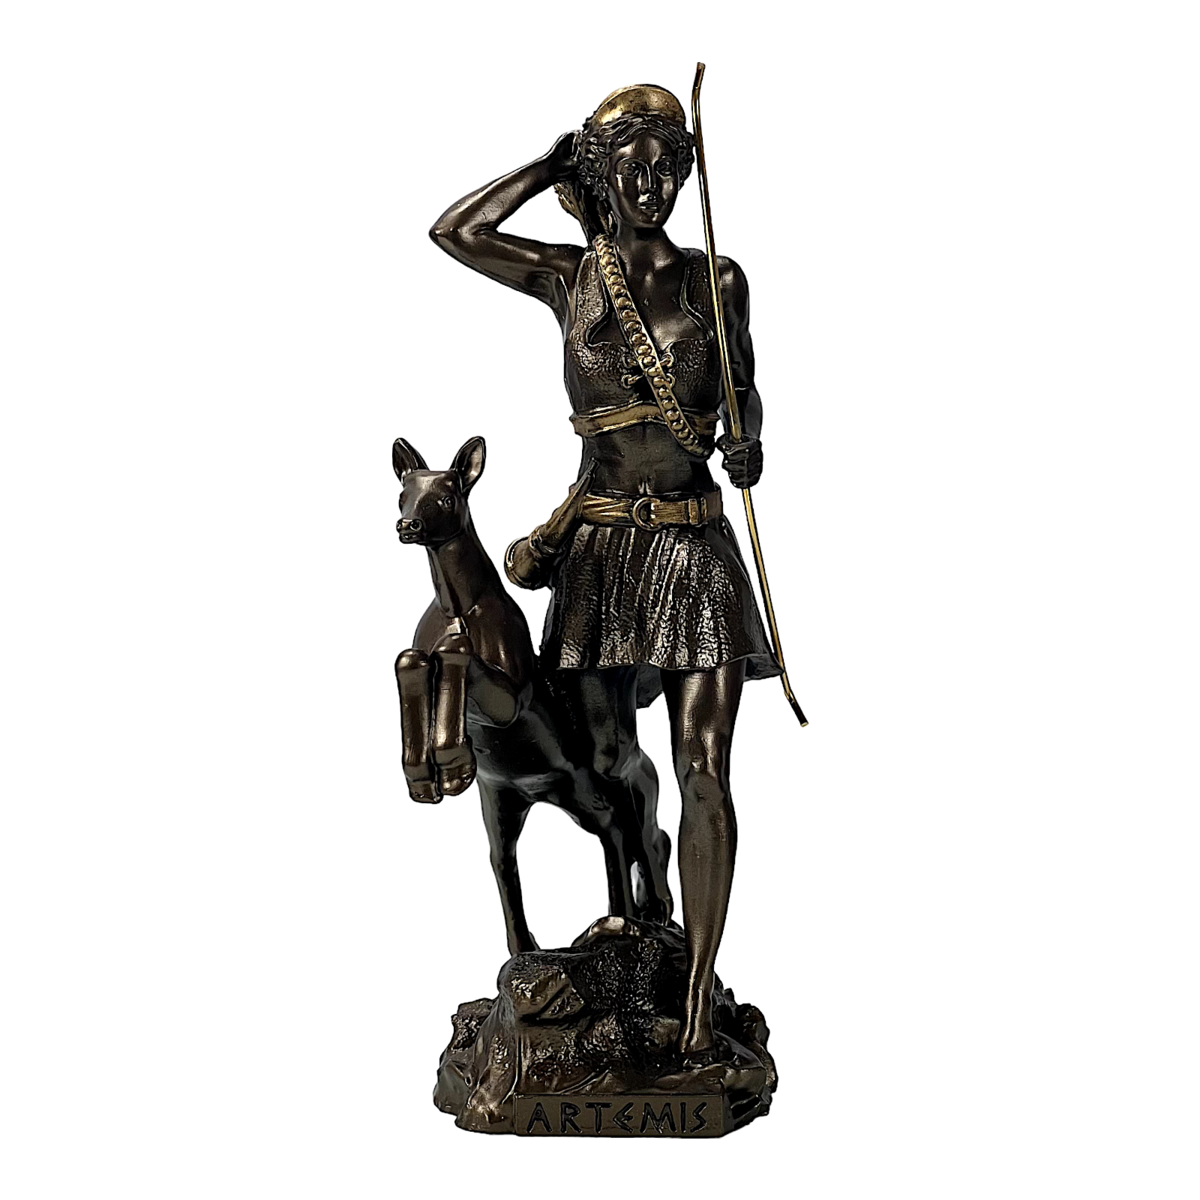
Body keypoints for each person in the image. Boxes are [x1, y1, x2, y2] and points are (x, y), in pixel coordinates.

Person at [430, 83, 779, 1055]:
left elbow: (745, 395)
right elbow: (456, 232)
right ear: (602, 177)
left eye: (667, 168)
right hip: (602, 557)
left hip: (694, 551)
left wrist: (748, 443)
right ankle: (641, 907)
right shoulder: (570, 278)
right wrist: (550, 165)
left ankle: (698, 996)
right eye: (630, 169)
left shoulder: (718, 280)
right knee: (601, 760)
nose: (651, 185)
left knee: (703, 768)